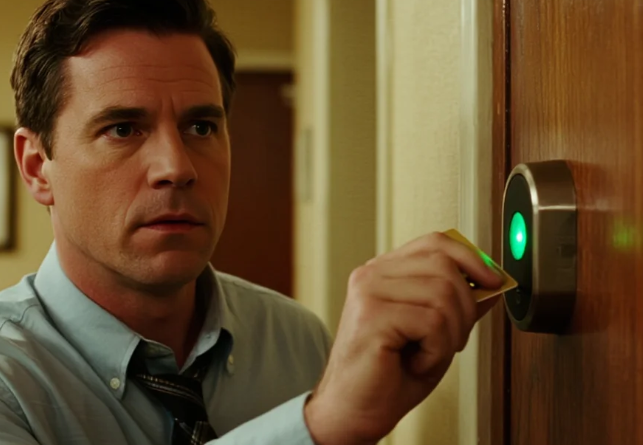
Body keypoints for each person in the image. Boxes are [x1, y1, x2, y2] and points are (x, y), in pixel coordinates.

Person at [0, 0, 504, 444]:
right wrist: (317, 427)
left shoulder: (297, 340)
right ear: (36, 167)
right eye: (123, 129)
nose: (177, 167)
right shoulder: (11, 377)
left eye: (201, 127)